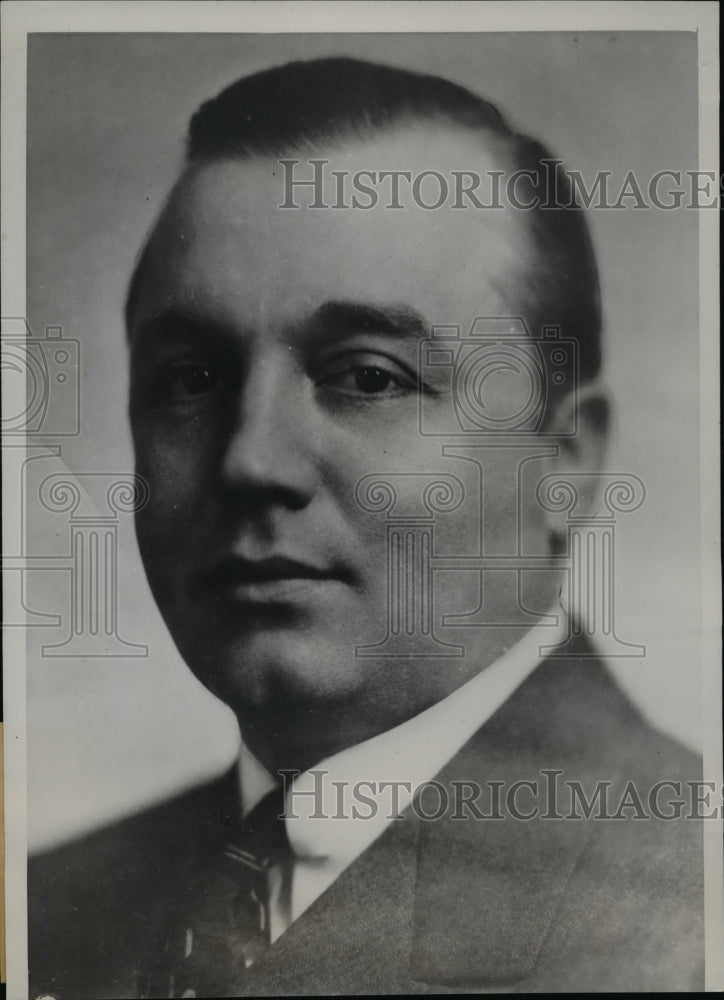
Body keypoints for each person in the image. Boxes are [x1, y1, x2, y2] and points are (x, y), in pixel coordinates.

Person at [28, 57, 703, 997]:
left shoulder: (693, 916)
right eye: (192, 379)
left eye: (369, 377)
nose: (249, 460)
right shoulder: (43, 914)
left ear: (564, 461)